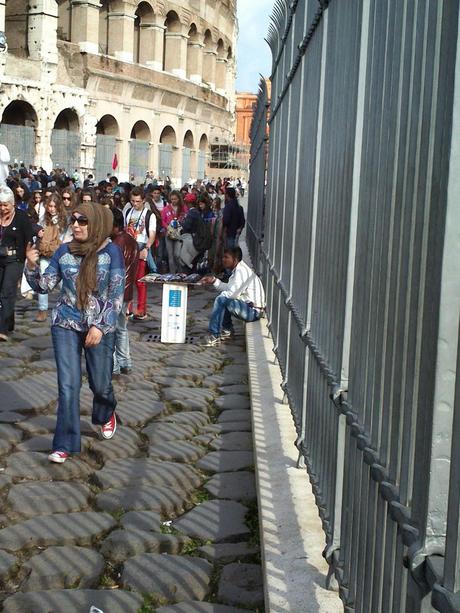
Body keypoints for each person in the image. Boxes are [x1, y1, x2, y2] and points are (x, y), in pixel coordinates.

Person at [24, 203, 125, 463]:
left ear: (97, 224)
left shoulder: (112, 252)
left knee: (100, 383)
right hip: (65, 323)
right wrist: (32, 265)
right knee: (68, 386)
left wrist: (99, 326)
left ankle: (104, 413)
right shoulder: (63, 252)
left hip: (99, 327)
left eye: (83, 221)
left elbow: (115, 296)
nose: (76, 225)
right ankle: (64, 444)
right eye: (74, 220)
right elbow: (44, 286)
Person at [200, 246, 265, 346]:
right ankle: (227, 331)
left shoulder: (241, 272)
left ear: (235, 259)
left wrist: (221, 298)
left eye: (226, 257)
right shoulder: (238, 270)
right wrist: (214, 280)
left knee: (222, 300)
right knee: (224, 299)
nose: (223, 260)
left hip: (252, 311)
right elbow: (229, 289)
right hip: (249, 308)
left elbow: (232, 294)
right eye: (223, 257)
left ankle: (214, 335)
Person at [0, 184, 34, 340]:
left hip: (15, 259)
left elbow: (28, 237)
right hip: (0, 257)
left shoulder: (20, 217)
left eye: (5, 205)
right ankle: (9, 321)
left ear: (12, 204)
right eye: (0, 205)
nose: (3, 208)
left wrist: (28, 255)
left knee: (7, 291)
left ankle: (3, 328)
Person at [111, 208, 139, 377]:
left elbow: (115, 272)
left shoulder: (116, 244)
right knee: (121, 328)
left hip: (116, 292)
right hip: (127, 292)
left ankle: (114, 364)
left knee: (111, 330)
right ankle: (125, 361)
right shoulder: (131, 241)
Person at [123, 187, 156, 320]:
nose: (135, 204)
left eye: (137, 201)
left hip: (141, 246)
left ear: (143, 200)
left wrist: (146, 248)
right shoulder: (128, 212)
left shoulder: (149, 215)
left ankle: (141, 310)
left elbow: (152, 234)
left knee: (140, 280)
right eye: (133, 201)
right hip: (129, 246)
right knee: (127, 280)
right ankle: (128, 308)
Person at [35, 193, 68, 321]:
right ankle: (42, 309)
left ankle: (66, 306)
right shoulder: (44, 218)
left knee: (64, 283)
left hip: (60, 254)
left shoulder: (64, 219)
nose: (51, 209)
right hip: (46, 253)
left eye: (54, 206)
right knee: (43, 279)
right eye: (50, 206)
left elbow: (65, 235)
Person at [161, 190, 188, 273]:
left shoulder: (183, 208)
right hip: (169, 234)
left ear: (179, 199)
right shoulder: (166, 209)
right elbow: (162, 221)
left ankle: (180, 271)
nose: (174, 201)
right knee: (170, 256)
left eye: (175, 199)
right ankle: (173, 274)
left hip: (179, 234)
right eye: (172, 199)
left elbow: (186, 218)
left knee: (177, 254)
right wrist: (168, 227)